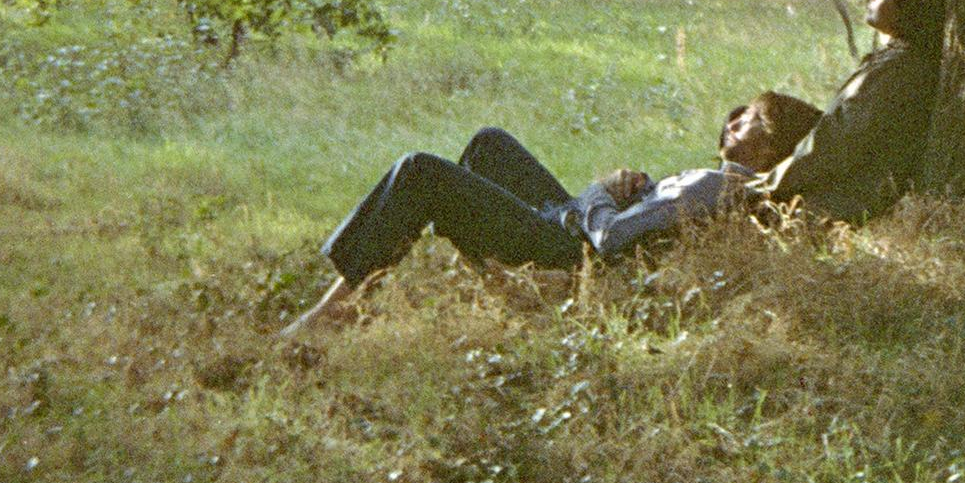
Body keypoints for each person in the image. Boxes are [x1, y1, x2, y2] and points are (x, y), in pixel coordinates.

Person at [281, 90, 821, 336]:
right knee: (489, 144)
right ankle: (504, 286)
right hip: (572, 227)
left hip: (571, 250)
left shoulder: (713, 184)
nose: (731, 123)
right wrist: (640, 189)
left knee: (420, 170)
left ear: (769, 148)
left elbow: (611, 240)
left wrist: (598, 193)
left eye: (747, 121)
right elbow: (650, 224)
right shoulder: (722, 184)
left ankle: (337, 306)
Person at [748, 0, 947, 223]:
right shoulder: (897, 60)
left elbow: (837, 144)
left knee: (705, 188)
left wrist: (766, 187)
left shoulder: (901, 70)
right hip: (834, 198)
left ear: (913, 5)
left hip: (837, 205)